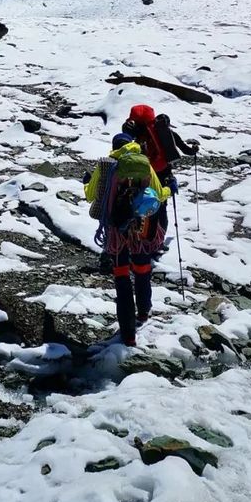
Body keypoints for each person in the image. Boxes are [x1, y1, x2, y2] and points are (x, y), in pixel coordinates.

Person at [84, 133, 169, 346]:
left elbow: (91, 195)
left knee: (121, 278)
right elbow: (158, 196)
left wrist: (87, 183)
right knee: (142, 269)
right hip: (140, 228)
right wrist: (171, 188)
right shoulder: (145, 165)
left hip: (116, 231)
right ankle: (143, 312)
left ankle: (128, 334)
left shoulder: (107, 165)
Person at [121, 104, 199, 250]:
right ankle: (158, 242)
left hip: (142, 174)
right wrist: (194, 149)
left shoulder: (135, 133)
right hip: (163, 175)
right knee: (160, 207)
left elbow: (121, 146)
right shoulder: (164, 131)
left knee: (140, 205)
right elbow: (184, 148)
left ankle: (138, 239)